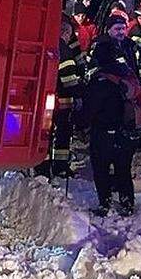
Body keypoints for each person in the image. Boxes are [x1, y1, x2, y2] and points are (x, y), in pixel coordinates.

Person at [79, 17, 141, 216]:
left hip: (105, 129)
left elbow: (91, 108)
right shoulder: (127, 75)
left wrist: (79, 124)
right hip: (126, 128)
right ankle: (127, 203)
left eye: (123, 28)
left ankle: (105, 204)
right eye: (117, 28)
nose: (121, 31)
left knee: (101, 167)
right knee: (122, 166)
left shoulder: (101, 81)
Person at [38, 15, 83, 178]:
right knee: (62, 135)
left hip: (47, 99)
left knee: (45, 135)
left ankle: (42, 168)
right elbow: (69, 79)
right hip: (62, 101)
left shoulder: (49, 44)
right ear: (65, 32)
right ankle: (59, 167)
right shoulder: (64, 49)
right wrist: (79, 96)